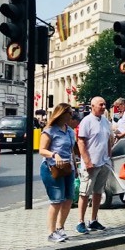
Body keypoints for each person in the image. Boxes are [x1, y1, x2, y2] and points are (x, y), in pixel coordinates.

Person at [38, 103, 77, 242]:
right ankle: (51, 232)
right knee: (56, 200)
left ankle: (60, 228)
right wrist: (54, 155)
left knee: (69, 198)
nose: (72, 116)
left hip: (68, 167)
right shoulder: (49, 130)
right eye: (69, 113)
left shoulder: (70, 131)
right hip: (52, 168)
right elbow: (41, 150)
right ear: (61, 114)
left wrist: (76, 168)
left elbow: (72, 151)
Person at [75, 95, 113, 234]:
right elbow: (81, 142)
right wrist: (87, 161)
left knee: (98, 191)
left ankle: (93, 219)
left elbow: (109, 138)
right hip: (91, 163)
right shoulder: (87, 121)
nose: (103, 107)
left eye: (104, 104)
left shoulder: (105, 121)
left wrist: (108, 156)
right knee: (85, 193)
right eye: (100, 105)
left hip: (103, 162)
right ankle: (80, 221)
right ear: (93, 106)